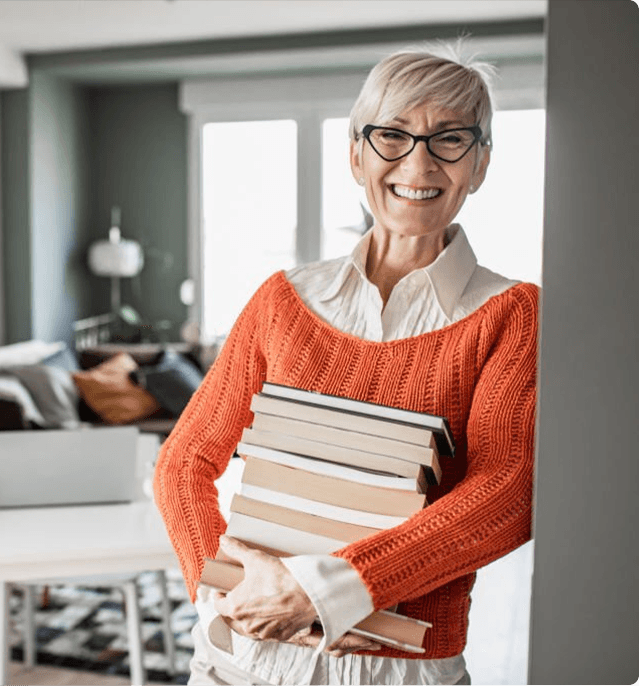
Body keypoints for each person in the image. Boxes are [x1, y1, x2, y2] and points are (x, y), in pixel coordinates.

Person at [154, 45, 539, 686]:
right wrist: (223, 584)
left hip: (400, 674)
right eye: (393, 135)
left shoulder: (512, 313)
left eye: (450, 139)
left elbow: (507, 495)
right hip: (238, 661)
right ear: (357, 154)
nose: (418, 162)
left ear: (481, 163)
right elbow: (183, 461)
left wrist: (323, 592)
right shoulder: (282, 300)